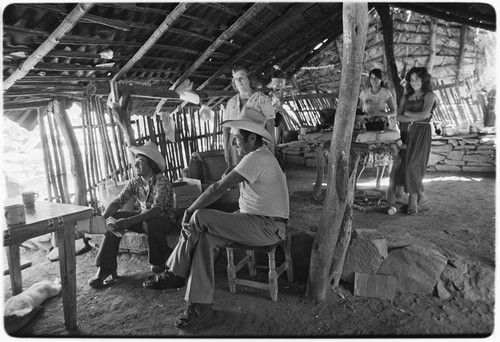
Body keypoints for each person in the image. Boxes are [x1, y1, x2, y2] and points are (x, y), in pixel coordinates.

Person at [143, 107, 289, 329]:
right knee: (204, 239)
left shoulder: (257, 158)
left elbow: (218, 189)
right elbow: (229, 187)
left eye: (237, 138)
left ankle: (174, 272)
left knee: (200, 217)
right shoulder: (258, 157)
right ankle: (200, 306)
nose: (233, 143)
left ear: (252, 137)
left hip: (267, 227)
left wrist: (189, 211)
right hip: (255, 222)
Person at [88, 141, 176, 288]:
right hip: (144, 219)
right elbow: (117, 202)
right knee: (114, 218)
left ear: (152, 165)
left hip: (164, 221)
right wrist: (102, 218)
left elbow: (157, 210)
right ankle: (105, 267)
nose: (136, 166)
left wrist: (128, 221)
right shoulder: (135, 182)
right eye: (135, 162)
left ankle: (158, 262)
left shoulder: (162, 182)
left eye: (140, 162)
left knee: (151, 220)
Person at [388, 67, 435, 214]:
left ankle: (413, 199)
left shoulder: (429, 95)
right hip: (405, 132)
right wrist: (414, 115)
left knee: (413, 166)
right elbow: (399, 117)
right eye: (411, 79)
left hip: (422, 132)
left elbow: (425, 115)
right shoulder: (405, 97)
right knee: (405, 165)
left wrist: (408, 113)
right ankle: (420, 196)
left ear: (424, 80)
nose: (414, 82)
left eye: (417, 79)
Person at [223, 66, 275, 167]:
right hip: (235, 143)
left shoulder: (262, 99)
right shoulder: (231, 102)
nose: (238, 81)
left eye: (242, 77)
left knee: (256, 172)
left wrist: (271, 149)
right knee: (238, 173)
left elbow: (270, 124)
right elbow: (226, 128)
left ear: (250, 79)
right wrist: (226, 149)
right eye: (235, 78)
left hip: (254, 142)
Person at [358, 68, 398, 189]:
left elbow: (394, 112)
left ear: (381, 79)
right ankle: (353, 182)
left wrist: (382, 113)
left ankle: (378, 182)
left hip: (381, 125)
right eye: (371, 78)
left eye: (376, 78)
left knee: (382, 153)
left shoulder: (386, 93)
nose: (374, 80)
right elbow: (359, 111)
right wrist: (366, 115)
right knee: (363, 153)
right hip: (367, 125)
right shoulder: (364, 93)